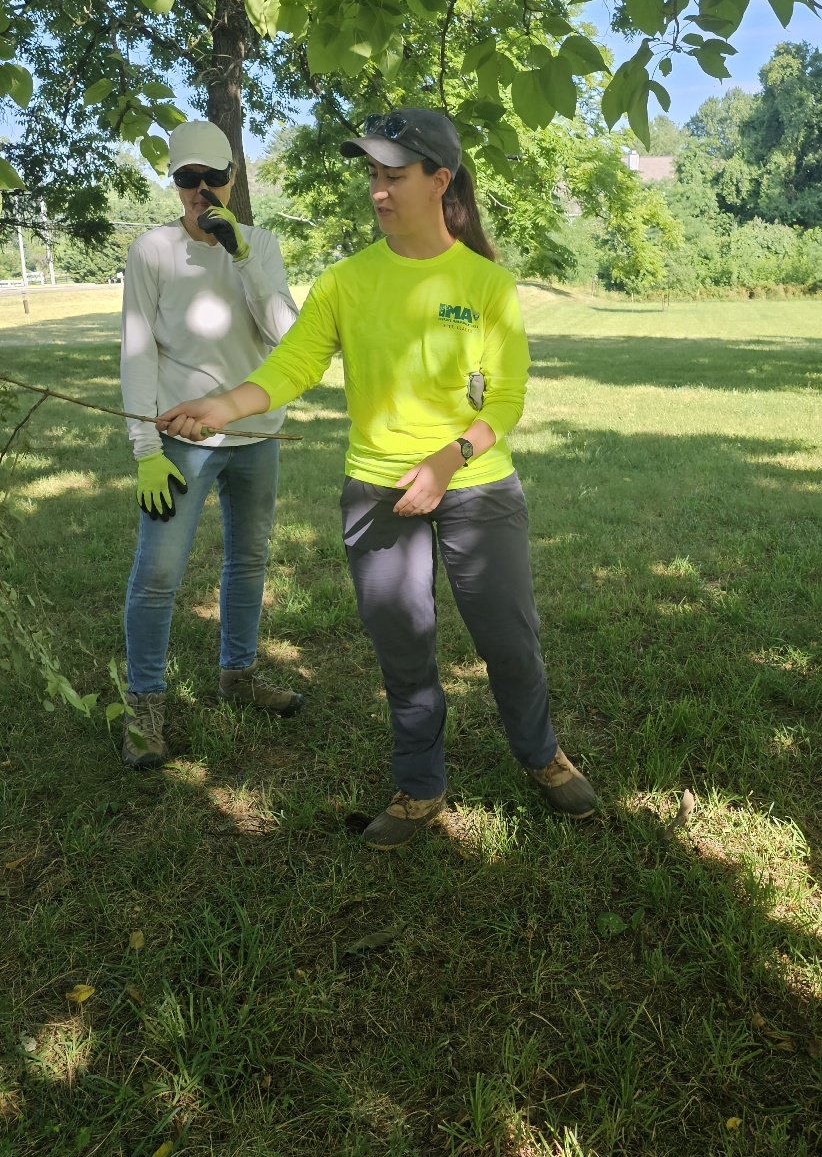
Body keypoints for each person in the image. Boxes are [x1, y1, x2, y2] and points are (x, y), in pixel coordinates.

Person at [156, 108, 597, 844]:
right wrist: (220, 405)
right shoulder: (347, 281)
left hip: (476, 489)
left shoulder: (486, 284)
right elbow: (291, 366)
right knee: (403, 648)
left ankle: (541, 755)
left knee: (509, 640)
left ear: (439, 180)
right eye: (372, 176)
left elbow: (508, 399)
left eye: (394, 176)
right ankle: (420, 788)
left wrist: (449, 457)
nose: (379, 191)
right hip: (376, 492)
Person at [120, 118, 303, 769]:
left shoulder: (261, 244)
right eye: (186, 179)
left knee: (248, 561)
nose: (200, 192)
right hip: (180, 442)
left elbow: (288, 335)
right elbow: (138, 353)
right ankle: (145, 710)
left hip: (256, 435)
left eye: (211, 177)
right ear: (173, 184)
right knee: (157, 577)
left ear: (232, 178)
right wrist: (144, 447)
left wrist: (243, 257)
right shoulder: (151, 252)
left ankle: (239, 675)